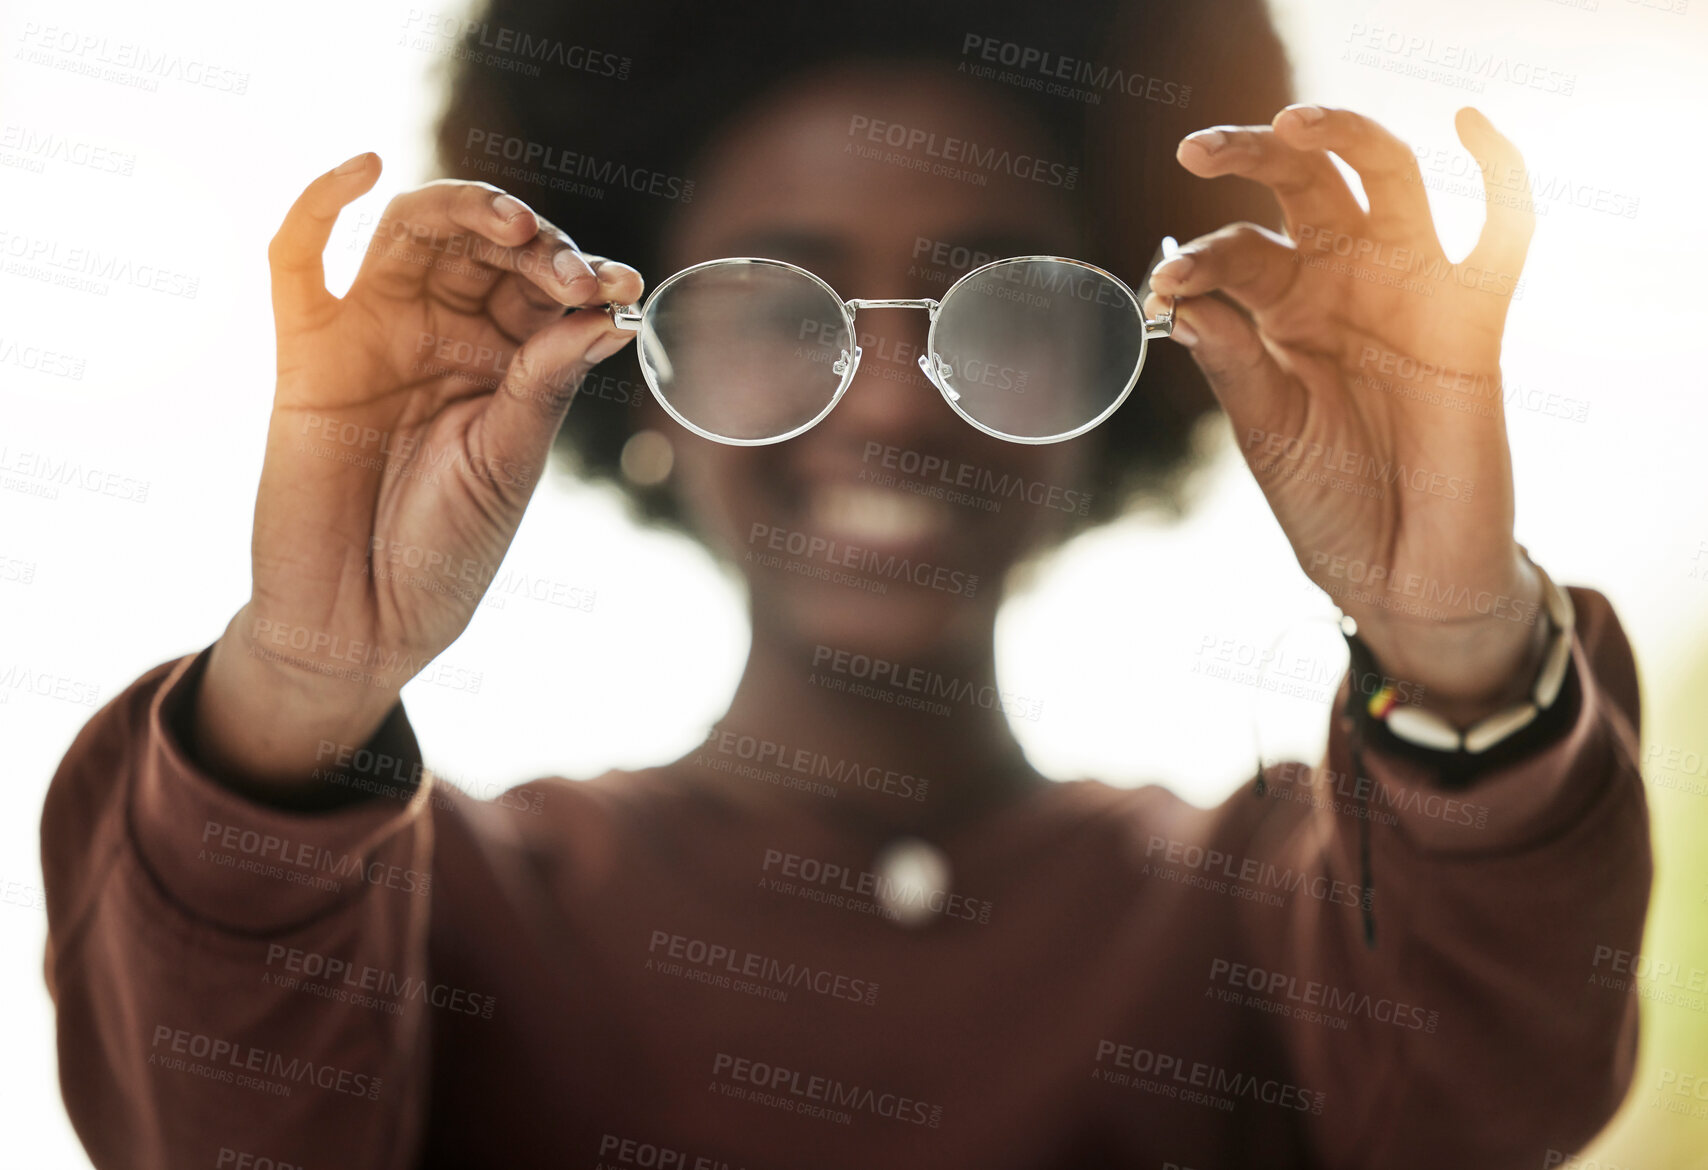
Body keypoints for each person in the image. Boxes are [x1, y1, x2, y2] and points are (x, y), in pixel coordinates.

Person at [41, 2, 1650, 1167]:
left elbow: (1491, 1106)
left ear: (1123, 384)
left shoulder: (1269, 913)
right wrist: (304, 682)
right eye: (775, 303)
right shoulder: (438, 908)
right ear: (632, 374)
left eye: (997, 303)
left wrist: (1455, 651)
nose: (889, 398)